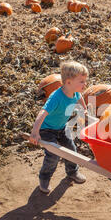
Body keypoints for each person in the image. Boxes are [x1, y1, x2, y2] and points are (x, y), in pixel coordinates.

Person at [29, 61, 89, 194]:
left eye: (85, 81)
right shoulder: (56, 97)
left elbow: (80, 98)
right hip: (47, 129)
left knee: (71, 150)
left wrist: (84, 110)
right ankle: (44, 178)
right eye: (82, 81)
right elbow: (42, 113)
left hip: (61, 127)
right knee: (53, 154)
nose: (85, 84)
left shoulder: (75, 92)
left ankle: (72, 172)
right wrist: (35, 132)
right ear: (68, 82)